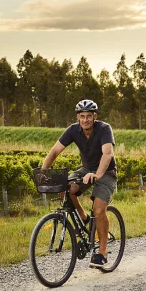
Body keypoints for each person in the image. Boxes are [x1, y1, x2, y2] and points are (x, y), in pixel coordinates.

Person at [41, 99, 117, 269]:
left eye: (88, 116)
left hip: (106, 172)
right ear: (78, 118)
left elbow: (107, 154)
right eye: (82, 116)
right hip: (86, 169)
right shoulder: (73, 130)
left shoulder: (104, 129)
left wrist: (97, 174)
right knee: (67, 187)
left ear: (94, 116)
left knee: (98, 210)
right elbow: (54, 151)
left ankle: (102, 253)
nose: (85, 120)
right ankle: (83, 217)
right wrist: (43, 172)